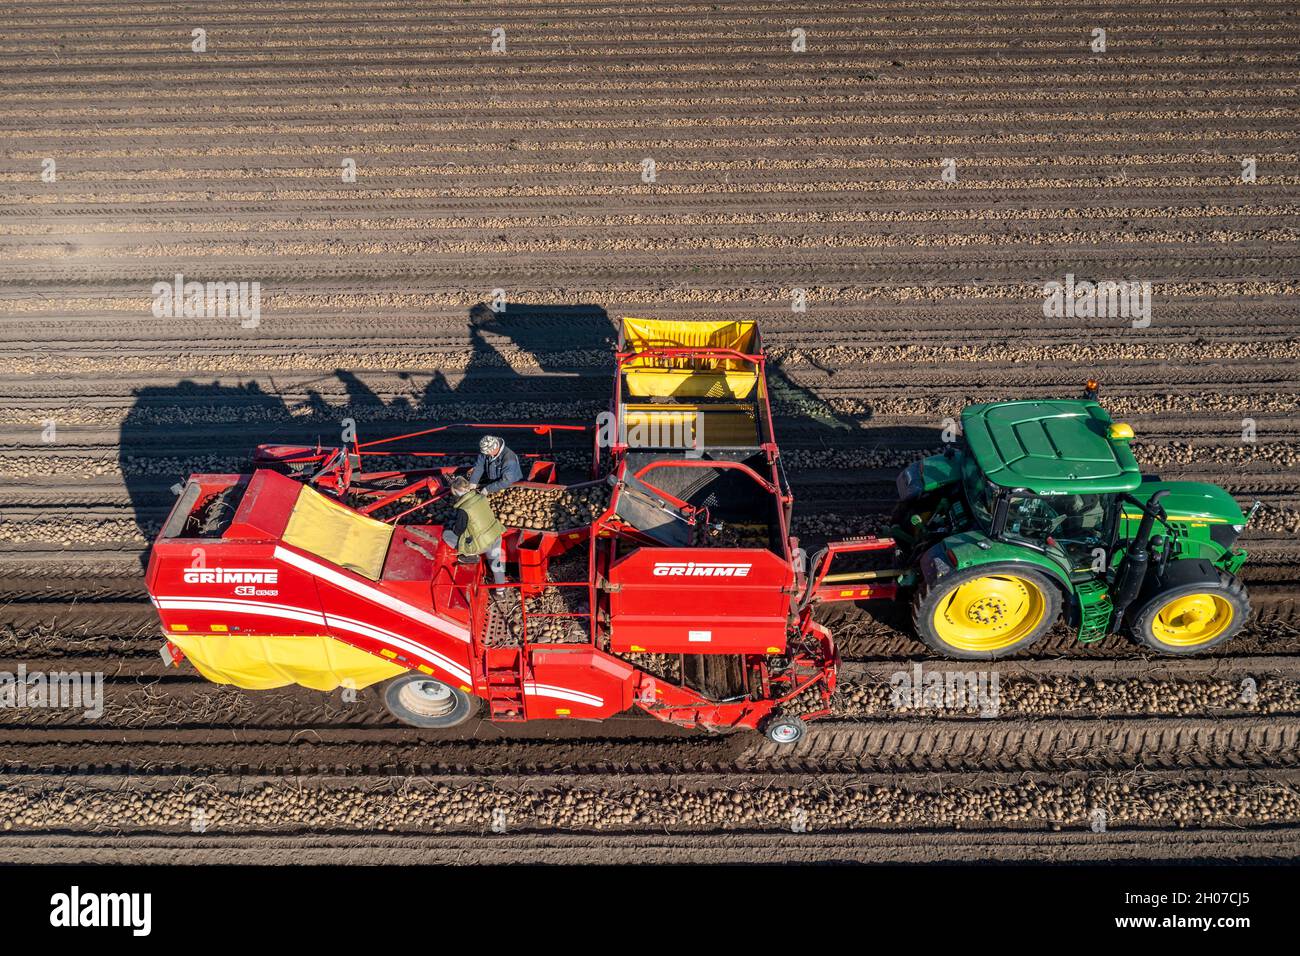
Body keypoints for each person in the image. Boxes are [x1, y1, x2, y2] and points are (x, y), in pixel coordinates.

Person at [442, 475, 507, 587]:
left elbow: (459, 531)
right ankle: (500, 592)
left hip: (481, 544)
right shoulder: (481, 497)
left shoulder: (464, 509)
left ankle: (471, 554)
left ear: (456, 492)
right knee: (496, 563)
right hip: (495, 534)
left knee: (446, 535)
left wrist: (452, 526)